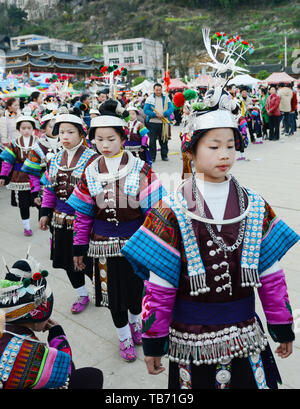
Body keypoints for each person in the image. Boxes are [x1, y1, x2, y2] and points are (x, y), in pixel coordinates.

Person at [121, 85, 299, 389]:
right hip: (191, 335)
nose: (225, 154)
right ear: (190, 151)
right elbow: (160, 284)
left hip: (245, 329)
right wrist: (154, 340)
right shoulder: (171, 208)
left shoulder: (254, 205)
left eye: (230, 145)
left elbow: (270, 273)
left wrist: (281, 326)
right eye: (214, 146)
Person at [66, 99, 167, 362]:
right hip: (101, 246)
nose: (105, 144)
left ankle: (136, 326)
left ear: (123, 137)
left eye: (111, 138)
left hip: (136, 244)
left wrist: (156, 246)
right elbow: (84, 214)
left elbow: (155, 211)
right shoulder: (90, 171)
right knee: (112, 296)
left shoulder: (140, 168)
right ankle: (123, 337)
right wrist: (79, 246)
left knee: (137, 292)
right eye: (99, 139)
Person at [0, 254, 103, 389]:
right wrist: (58, 337)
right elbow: (65, 374)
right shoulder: (27, 351)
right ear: (35, 316)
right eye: (47, 314)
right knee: (92, 377)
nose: (48, 318)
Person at [38, 111, 98, 314]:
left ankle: (100, 289)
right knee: (67, 261)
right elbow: (49, 187)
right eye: (61, 132)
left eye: (70, 132)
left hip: (86, 221)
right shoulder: (55, 159)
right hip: (60, 220)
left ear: (82, 133)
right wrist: (45, 212)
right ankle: (82, 294)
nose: (65, 136)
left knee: (89, 261)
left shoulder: (93, 159)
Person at [0, 115, 38, 237]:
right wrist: (3, 176)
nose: (26, 130)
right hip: (19, 178)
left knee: (41, 202)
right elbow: (7, 161)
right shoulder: (14, 144)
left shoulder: (38, 142)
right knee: (23, 204)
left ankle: (43, 220)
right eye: (23, 128)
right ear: (19, 129)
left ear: (33, 129)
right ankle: (26, 227)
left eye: (29, 127)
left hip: (36, 177)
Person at [21, 113, 62, 213]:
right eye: (51, 126)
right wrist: (35, 193)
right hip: (46, 189)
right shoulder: (37, 147)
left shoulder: (66, 143)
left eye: (58, 126)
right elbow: (33, 174)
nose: (55, 129)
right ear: (43, 129)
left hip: (65, 188)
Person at [144, 83, 174, 162]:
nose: (158, 91)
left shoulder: (166, 98)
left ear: (162, 90)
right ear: (153, 90)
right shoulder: (149, 99)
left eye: (160, 90)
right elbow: (146, 110)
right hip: (152, 122)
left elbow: (171, 108)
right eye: (157, 90)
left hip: (163, 122)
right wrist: (155, 114)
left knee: (164, 139)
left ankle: (164, 156)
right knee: (152, 141)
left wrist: (164, 114)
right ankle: (152, 157)